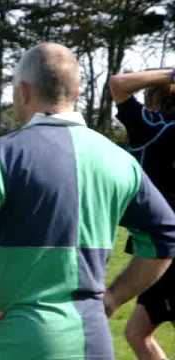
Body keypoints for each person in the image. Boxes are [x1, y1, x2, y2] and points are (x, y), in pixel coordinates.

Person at [0, 43, 175, 359]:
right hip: (94, 342)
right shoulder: (119, 160)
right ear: (77, 92)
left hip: (17, 339)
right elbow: (166, 236)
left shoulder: (3, 155)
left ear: (22, 91)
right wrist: (115, 296)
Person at [110, 68, 175, 360]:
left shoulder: (153, 127)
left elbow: (119, 85)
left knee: (137, 332)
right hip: (161, 249)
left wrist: (171, 73)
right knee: (137, 332)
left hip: (167, 249)